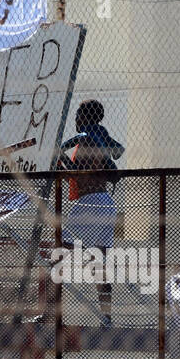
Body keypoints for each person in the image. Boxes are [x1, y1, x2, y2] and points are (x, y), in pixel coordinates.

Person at [55, 100, 123, 326]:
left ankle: (51, 312)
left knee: (60, 245)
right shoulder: (102, 136)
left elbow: (79, 174)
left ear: (85, 117)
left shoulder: (85, 139)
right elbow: (118, 152)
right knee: (100, 262)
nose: (75, 120)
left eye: (77, 115)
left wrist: (61, 161)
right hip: (106, 201)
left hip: (90, 201)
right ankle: (107, 317)